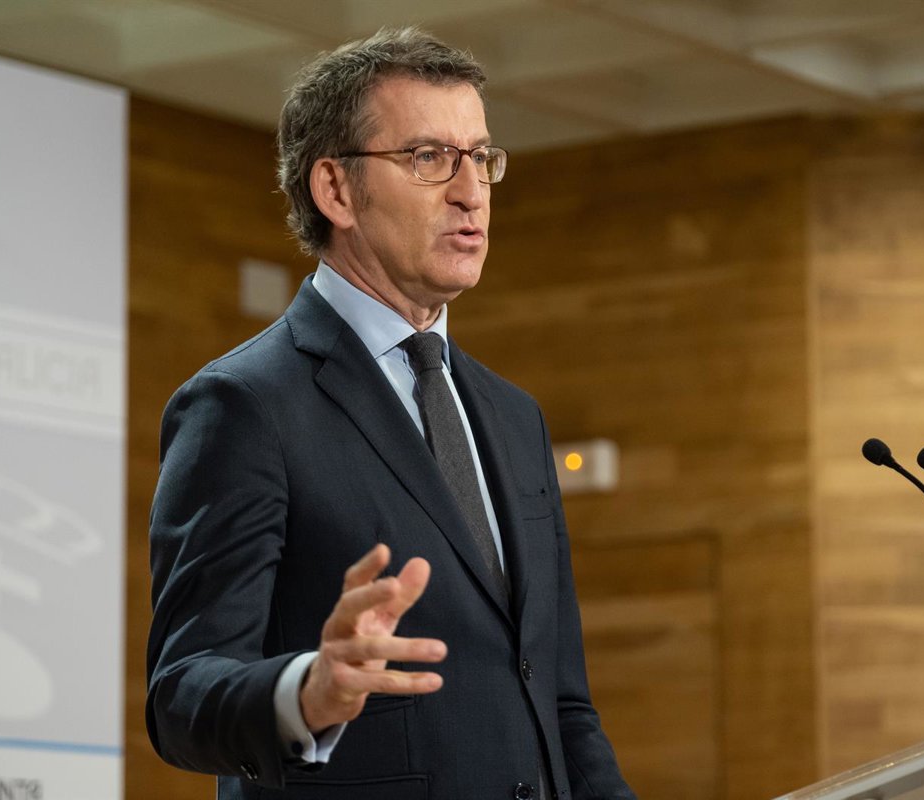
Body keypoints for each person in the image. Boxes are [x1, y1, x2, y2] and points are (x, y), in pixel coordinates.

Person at [145, 26, 636, 800]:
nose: (471, 191)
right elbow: (181, 695)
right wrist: (308, 691)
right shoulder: (245, 406)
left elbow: (562, 704)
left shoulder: (516, 418)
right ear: (335, 190)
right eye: (429, 157)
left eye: (481, 157)